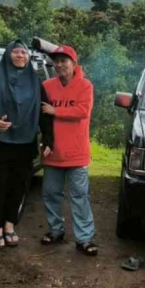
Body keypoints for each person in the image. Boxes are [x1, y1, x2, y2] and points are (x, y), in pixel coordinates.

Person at [0, 40, 44, 249]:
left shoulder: (35, 81)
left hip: (25, 143)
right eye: (15, 52)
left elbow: (44, 110)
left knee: (19, 185)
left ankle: (9, 225)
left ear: (27, 57)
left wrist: (48, 138)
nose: (19, 56)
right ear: (8, 56)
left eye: (23, 53)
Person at [39, 44, 98, 255]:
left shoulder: (85, 85)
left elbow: (83, 111)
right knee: (51, 194)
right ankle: (55, 230)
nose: (60, 65)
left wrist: (55, 110)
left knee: (79, 197)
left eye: (64, 60)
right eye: (56, 61)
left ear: (74, 64)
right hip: (53, 152)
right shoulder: (47, 85)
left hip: (77, 153)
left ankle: (84, 239)